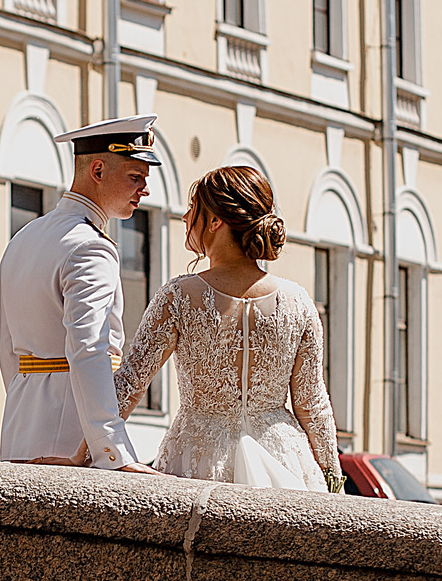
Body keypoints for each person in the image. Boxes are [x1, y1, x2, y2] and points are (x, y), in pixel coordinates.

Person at [116, 164, 342, 492]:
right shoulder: (299, 302)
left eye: (193, 208)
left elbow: (131, 383)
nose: (184, 217)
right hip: (285, 463)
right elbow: (311, 402)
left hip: (199, 458)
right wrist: (333, 480)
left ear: (215, 220)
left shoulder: (179, 297)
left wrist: (84, 449)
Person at [0, 117, 163, 472]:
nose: (144, 190)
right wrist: (111, 451)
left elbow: (8, 349)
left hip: (21, 421)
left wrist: (26, 408)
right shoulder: (90, 247)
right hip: (72, 433)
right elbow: (90, 349)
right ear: (98, 170)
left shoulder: (24, 237)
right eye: (135, 177)